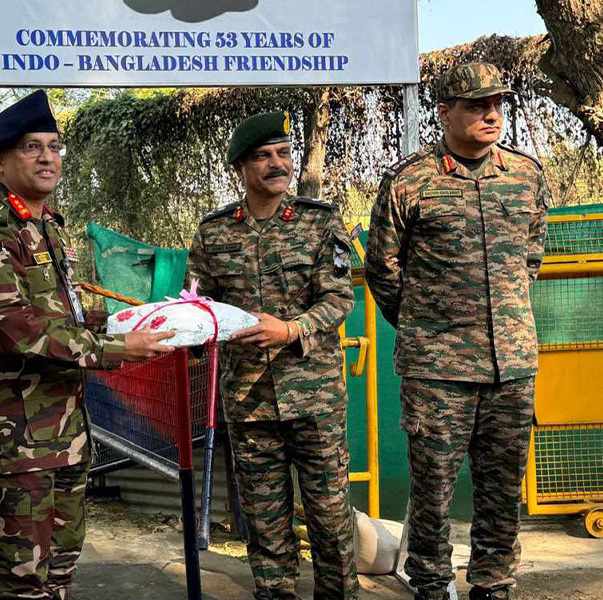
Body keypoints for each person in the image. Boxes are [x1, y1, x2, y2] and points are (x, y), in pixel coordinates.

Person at [0, 89, 175, 600]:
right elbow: (16, 329)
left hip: (66, 431)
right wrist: (116, 349)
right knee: (25, 579)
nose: (48, 157)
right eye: (32, 147)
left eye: (53, 146)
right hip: (18, 439)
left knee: (62, 570)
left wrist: (128, 319)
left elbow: (61, 313)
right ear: (0, 161)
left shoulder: (47, 225)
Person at [365, 62, 549, 600]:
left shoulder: (526, 175)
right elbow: (383, 269)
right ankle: (430, 582)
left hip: (512, 365)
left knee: (501, 486)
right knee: (434, 489)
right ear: (444, 111)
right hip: (436, 368)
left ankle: (493, 583)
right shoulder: (410, 180)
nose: (492, 113)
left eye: (498, 103)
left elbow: (530, 258)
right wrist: (429, 327)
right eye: (476, 104)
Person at [186, 111, 360, 600]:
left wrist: (291, 328)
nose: (277, 163)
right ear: (240, 168)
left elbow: (339, 298)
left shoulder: (319, 222)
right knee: (265, 525)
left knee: (330, 518)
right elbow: (198, 306)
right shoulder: (213, 233)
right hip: (248, 401)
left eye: (283, 153)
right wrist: (192, 330)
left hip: (316, 398)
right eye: (263, 156)